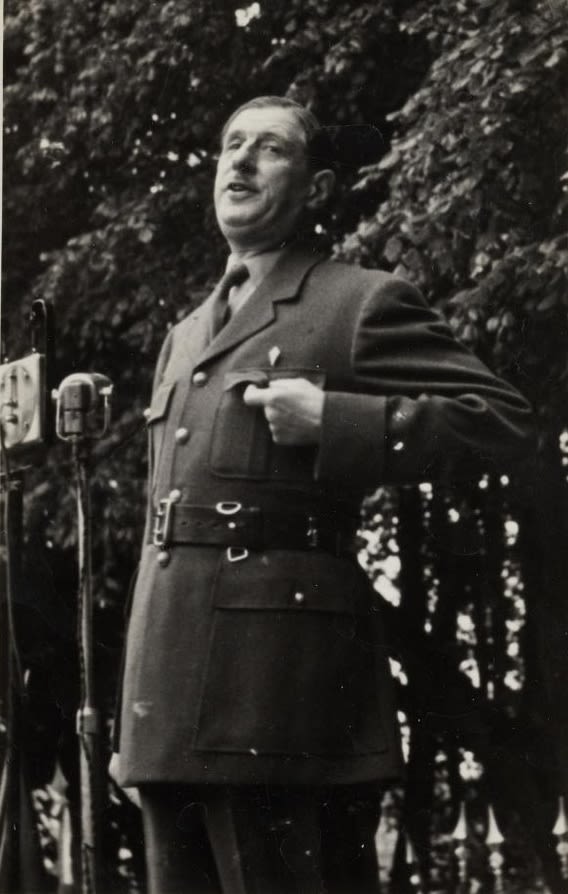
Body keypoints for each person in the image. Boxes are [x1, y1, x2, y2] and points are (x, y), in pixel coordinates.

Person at [112, 96, 534, 893]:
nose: (240, 162)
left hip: (282, 701)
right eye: (231, 144)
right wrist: (136, 714)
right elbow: (163, 533)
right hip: (168, 712)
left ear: (319, 186)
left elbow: (502, 423)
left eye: (269, 148)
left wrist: (336, 419)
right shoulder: (185, 336)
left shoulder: (359, 301)